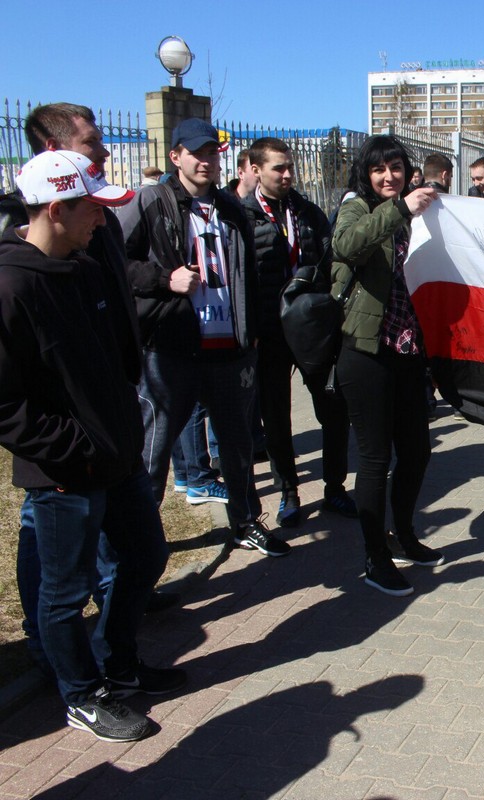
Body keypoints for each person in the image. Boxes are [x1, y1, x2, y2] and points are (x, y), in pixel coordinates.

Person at [0, 149, 183, 741]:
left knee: (145, 557)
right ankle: (81, 694)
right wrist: (73, 448)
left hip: (117, 457)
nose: (102, 222)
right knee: (64, 592)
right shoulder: (9, 286)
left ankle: (118, 665)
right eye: (92, 211)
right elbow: (7, 407)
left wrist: (122, 431)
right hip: (65, 472)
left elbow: (111, 361)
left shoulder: (83, 269)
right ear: (56, 208)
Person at [117, 119, 289, 558]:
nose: (207, 160)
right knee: (151, 456)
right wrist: (161, 278)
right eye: (197, 153)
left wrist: (249, 335)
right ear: (176, 157)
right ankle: (137, 550)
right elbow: (114, 260)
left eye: (213, 152)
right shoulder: (151, 201)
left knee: (238, 447)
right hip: (171, 350)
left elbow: (247, 272)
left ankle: (246, 522)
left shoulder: (232, 208)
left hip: (229, 351)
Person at [331, 134, 445, 596]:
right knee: (375, 459)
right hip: (365, 352)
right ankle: (375, 557)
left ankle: (403, 536)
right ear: (368, 172)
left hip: (408, 353)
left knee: (417, 450)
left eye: (395, 168)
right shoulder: (357, 207)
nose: (388, 176)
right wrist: (399, 209)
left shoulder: (414, 212)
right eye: (379, 168)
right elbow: (346, 245)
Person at [242, 137, 356, 527]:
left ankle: (335, 488)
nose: (288, 174)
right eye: (278, 168)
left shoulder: (307, 212)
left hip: (312, 332)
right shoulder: (242, 215)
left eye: (290, 166)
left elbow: (331, 260)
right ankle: (288, 491)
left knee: (333, 409)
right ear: (255, 169)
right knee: (276, 417)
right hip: (269, 333)